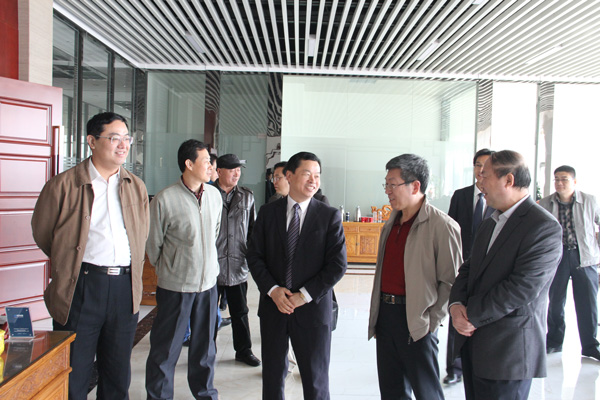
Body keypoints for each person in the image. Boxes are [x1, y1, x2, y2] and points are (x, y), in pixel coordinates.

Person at [31, 111, 149, 400]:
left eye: (127, 138)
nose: (123, 145)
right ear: (92, 141)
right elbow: (43, 233)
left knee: (117, 376)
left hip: (124, 289)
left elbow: (142, 234)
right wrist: (69, 262)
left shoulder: (136, 186)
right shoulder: (63, 185)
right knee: (74, 373)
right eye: (114, 138)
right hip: (81, 287)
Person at [449, 150, 562, 400]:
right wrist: (456, 305)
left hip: (508, 352)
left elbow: (522, 288)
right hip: (475, 345)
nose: (479, 182)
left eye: (485, 176)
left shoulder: (542, 226)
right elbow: (469, 268)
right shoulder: (491, 221)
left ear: (508, 180)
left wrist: (471, 315)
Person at [247, 151, 347, 399]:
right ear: (289, 176)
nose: (313, 180)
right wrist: (273, 290)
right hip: (274, 308)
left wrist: (304, 295)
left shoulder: (329, 216)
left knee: (315, 381)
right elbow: (255, 256)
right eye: (307, 174)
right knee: (272, 378)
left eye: (317, 175)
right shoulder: (268, 213)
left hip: (312, 310)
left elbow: (337, 265)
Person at [367, 154, 462, 400]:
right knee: (392, 391)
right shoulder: (391, 222)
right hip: (386, 317)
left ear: (415, 185)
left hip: (417, 321)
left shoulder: (442, 225)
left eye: (393, 184)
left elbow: (451, 282)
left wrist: (430, 322)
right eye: (386, 184)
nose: (387, 190)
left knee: (427, 392)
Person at [145, 139, 222, 400]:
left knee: (205, 348)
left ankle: (205, 393)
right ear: (189, 164)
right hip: (176, 287)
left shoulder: (214, 196)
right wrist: (173, 269)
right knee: (165, 349)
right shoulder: (165, 199)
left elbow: (214, 233)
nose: (211, 167)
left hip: (208, 285)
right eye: (206, 162)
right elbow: (153, 245)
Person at [444, 148, 495, 385]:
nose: (481, 170)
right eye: (478, 165)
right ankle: (454, 367)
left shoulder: (498, 198)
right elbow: (450, 230)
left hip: (488, 268)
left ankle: (477, 365)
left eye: (486, 165)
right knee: (457, 311)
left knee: (481, 316)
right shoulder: (461, 195)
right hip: (461, 265)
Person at [539, 165, 600, 361]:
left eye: (564, 179)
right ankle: (554, 341)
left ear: (574, 181)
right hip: (558, 258)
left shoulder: (590, 201)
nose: (559, 183)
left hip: (585, 257)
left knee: (588, 303)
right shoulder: (545, 203)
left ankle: (590, 346)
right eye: (556, 179)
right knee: (556, 302)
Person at [213, 153, 260, 367]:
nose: (236, 174)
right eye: (232, 170)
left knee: (240, 311)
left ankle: (243, 351)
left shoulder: (247, 196)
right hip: (212, 265)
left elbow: (253, 231)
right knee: (208, 314)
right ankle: (206, 351)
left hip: (237, 263)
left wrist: (250, 257)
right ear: (219, 171)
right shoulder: (207, 194)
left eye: (238, 170)